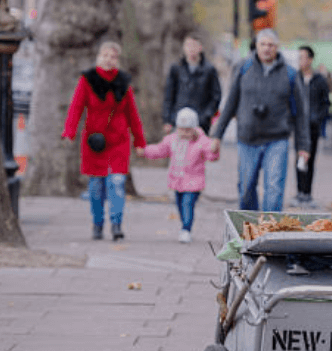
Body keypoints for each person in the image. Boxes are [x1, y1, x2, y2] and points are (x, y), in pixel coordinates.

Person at [210, 29, 310, 211]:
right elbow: (230, 104)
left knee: (274, 189)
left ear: (277, 48)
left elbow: (301, 114)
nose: (266, 49)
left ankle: (269, 233)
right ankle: (250, 229)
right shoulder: (243, 69)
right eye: (262, 44)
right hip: (247, 139)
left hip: (277, 140)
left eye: (271, 45)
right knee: (246, 188)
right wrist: (217, 135)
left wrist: (304, 146)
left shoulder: (291, 74)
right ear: (256, 46)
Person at [62, 41, 147, 241]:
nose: (109, 59)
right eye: (105, 55)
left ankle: (116, 224)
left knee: (117, 183)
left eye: (113, 56)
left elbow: (133, 114)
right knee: (96, 186)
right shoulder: (87, 79)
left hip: (118, 140)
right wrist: (69, 131)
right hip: (95, 141)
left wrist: (140, 142)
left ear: (117, 60)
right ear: (100, 57)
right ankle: (97, 223)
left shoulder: (123, 82)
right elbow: (76, 107)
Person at [136, 107, 219, 243]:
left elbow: (211, 154)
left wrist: (214, 150)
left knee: (187, 204)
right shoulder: (172, 140)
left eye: (188, 130)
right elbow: (159, 150)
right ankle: (184, 226)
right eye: (182, 129)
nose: (185, 133)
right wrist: (145, 151)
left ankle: (186, 229)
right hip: (177, 181)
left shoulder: (201, 141)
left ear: (194, 128)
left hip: (194, 182)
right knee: (180, 206)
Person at [290, 45, 331, 206]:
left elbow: (326, 103)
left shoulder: (320, 80)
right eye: (298, 57)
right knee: (299, 157)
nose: (301, 61)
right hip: (299, 125)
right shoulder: (295, 78)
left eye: (303, 57)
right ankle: (299, 192)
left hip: (313, 126)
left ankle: (308, 193)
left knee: (310, 158)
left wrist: (317, 117)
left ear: (310, 59)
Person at [162, 33, 222, 135]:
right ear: (184, 48)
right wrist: (168, 119)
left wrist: (206, 116)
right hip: (179, 122)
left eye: (194, 46)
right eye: (188, 45)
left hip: (201, 124)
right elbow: (169, 95)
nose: (191, 49)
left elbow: (216, 96)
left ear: (200, 48)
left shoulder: (210, 70)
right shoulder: (176, 68)